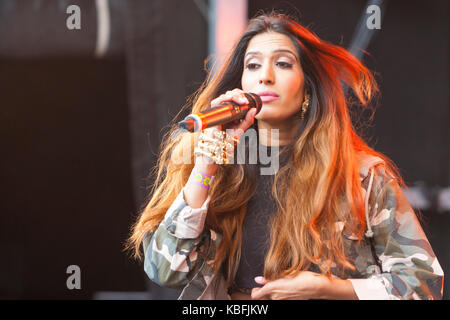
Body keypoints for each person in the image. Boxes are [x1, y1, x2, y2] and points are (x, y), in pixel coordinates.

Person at [126, 12, 444, 300]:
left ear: (307, 87)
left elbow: (423, 284)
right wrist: (209, 159)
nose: (264, 76)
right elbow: (167, 271)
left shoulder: (361, 175)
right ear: (241, 82)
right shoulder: (215, 167)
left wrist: (330, 290)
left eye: (282, 63)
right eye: (253, 65)